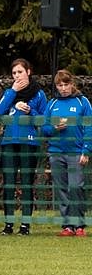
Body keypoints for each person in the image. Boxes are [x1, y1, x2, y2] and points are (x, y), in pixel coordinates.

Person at [0, 58, 47, 236]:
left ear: (28, 72)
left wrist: (30, 111)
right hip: (8, 143)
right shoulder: (10, 92)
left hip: (29, 143)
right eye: (14, 73)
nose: (17, 76)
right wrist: (13, 93)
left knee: (26, 184)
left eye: (20, 72)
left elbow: (43, 120)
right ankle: (8, 224)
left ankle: (25, 225)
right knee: (8, 184)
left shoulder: (38, 93)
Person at [41, 70, 91, 237]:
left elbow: (89, 128)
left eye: (66, 84)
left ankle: (79, 225)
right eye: (59, 85)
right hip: (56, 153)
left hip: (76, 152)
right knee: (61, 189)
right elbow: (44, 128)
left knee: (75, 187)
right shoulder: (52, 103)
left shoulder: (82, 102)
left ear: (72, 84)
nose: (63, 88)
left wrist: (86, 150)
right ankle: (67, 225)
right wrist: (55, 128)